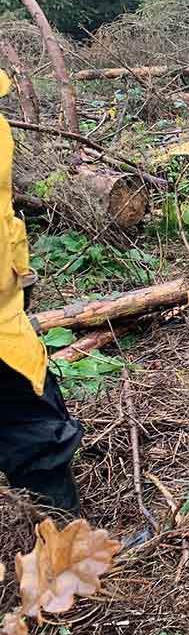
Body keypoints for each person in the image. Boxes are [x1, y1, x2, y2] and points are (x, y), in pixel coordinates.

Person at [0, 69, 84, 516]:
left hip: (7, 315)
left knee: (35, 426)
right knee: (33, 430)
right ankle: (61, 557)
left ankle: (59, 544)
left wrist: (20, 271)